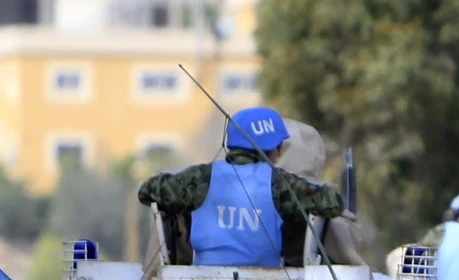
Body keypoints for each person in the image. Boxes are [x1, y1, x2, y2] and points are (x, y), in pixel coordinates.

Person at [137, 106, 345, 267]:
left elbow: (147, 191)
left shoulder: (201, 177)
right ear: (270, 149)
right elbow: (333, 203)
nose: (280, 154)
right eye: (279, 147)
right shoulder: (280, 183)